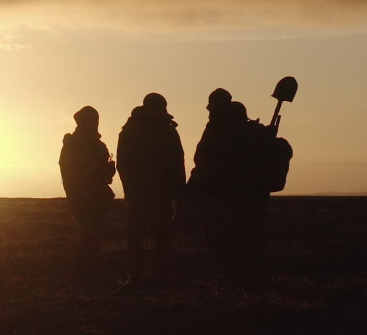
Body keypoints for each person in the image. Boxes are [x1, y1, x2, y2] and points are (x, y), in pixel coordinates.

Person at [186, 89, 271, 284]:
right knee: (243, 234)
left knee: (221, 234)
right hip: (245, 194)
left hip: (224, 192)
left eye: (211, 104)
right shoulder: (245, 129)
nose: (208, 108)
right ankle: (247, 274)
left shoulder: (220, 128)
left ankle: (236, 274)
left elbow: (205, 159)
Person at [115, 92, 185, 282]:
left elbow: (122, 164)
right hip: (150, 193)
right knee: (152, 235)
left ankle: (141, 273)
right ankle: (148, 273)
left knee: (146, 235)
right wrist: (178, 192)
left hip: (149, 193)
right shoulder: (166, 130)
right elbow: (178, 163)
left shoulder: (131, 131)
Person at [59, 106, 117, 281]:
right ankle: (79, 276)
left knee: (94, 237)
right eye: (93, 121)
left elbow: (102, 175)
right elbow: (70, 174)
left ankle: (85, 275)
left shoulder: (98, 145)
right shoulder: (73, 145)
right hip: (83, 198)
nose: (96, 124)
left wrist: (108, 172)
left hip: (97, 198)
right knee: (89, 236)